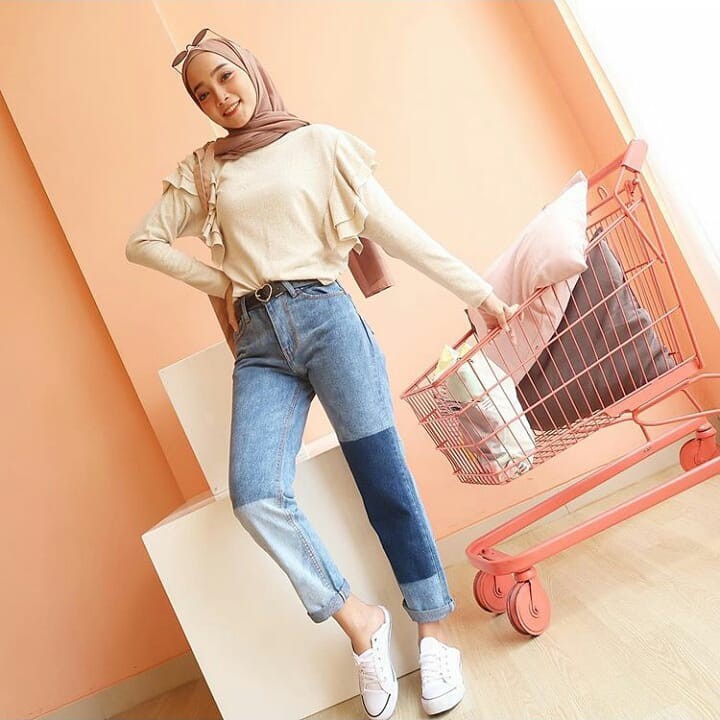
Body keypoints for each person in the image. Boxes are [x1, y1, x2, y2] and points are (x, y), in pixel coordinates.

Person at [126, 28, 517, 720]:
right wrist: (220, 282)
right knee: (255, 494)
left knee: (384, 480)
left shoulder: (321, 144)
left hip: (328, 320)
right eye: (202, 94)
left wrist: (480, 294)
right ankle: (360, 620)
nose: (220, 97)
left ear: (249, 68)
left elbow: (397, 230)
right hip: (260, 341)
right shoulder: (206, 170)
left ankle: (433, 630)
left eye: (225, 77)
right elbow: (143, 242)